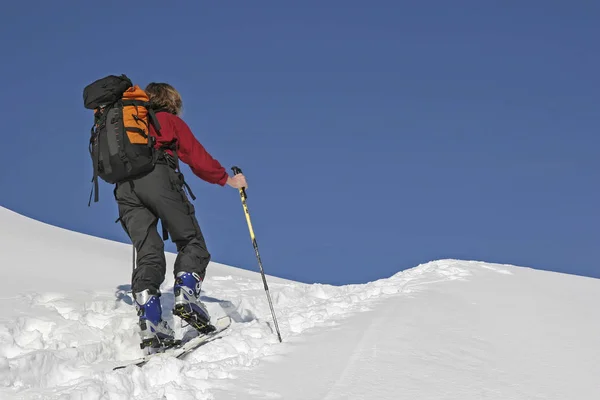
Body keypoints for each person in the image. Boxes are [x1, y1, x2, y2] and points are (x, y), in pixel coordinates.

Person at [114, 82, 247, 348]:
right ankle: (186, 298)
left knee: (148, 251)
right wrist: (227, 180)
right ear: (171, 101)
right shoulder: (167, 120)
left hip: (124, 190)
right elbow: (196, 156)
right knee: (191, 242)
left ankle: (151, 321)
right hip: (159, 180)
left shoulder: (125, 126)